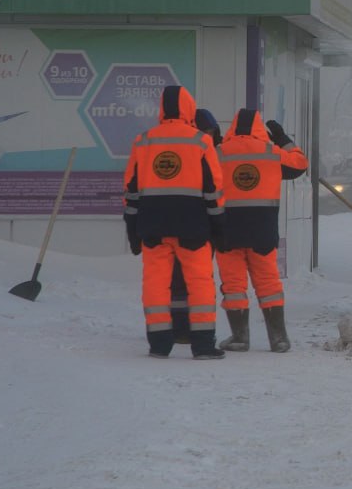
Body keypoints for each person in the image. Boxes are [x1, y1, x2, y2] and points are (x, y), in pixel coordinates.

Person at [123, 86, 226, 360]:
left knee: (155, 283)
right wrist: (218, 227)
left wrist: (132, 230)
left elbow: (131, 191)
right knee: (200, 282)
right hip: (193, 226)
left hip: (152, 225)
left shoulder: (143, 142)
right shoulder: (201, 142)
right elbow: (213, 190)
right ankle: (203, 344)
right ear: (189, 109)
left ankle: (159, 344)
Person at [216, 109, 309, 352]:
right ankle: (279, 339)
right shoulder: (272, 153)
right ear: (259, 128)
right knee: (268, 283)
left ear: (233, 127)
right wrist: (282, 138)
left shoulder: (219, 153)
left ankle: (239, 337)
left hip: (227, 230)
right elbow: (300, 164)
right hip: (263, 230)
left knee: (233, 284)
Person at [170, 108, 222, 345]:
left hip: (200, 226)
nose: (209, 136)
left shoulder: (212, 152)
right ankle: (183, 329)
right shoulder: (196, 153)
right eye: (206, 132)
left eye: (212, 132)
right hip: (192, 224)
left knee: (197, 280)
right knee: (183, 279)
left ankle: (195, 328)